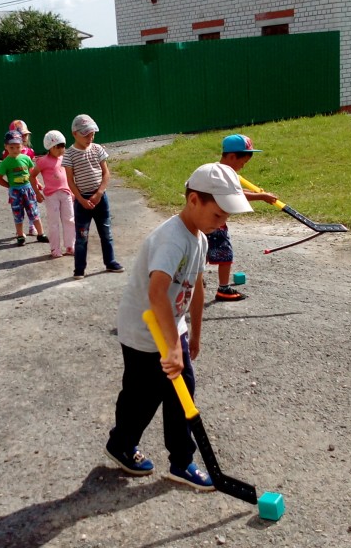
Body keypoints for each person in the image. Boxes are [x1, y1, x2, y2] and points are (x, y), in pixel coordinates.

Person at [105, 163, 253, 490]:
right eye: (218, 215)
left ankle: (182, 461)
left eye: (226, 217)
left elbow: (196, 288)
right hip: (144, 333)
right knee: (142, 397)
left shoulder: (200, 238)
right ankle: (121, 443)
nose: (222, 223)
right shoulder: (171, 240)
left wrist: (193, 334)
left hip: (173, 328)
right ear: (194, 200)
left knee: (182, 392)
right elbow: (157, 292)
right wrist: (172, 346)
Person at [208, 134, 278, 302]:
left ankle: (193, 281)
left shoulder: (219, 171)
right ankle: (223, 289)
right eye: (243, 162)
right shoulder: (222, 174)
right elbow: (234, 195)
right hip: (214, 224)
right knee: (225, 256)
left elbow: (237, 191)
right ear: (232, 156)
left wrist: (256, 193)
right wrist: (261, 196)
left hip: (211, 222)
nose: (243, 166)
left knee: (201, 254)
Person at [63, 114, 124, 279]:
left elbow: (106, 173)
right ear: (74, 133)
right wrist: (81, 200)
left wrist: (99, 193)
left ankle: (110, 262)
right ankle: (79, 269)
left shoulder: (97, 149)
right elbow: (70, 181)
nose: (90, 138)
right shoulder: (69, 154)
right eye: (86, 135)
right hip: (82, 202)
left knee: (106, 232)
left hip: (100, 199)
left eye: (92, 134)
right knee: (81, 237)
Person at [0, 130, 49, 247]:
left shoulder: (26, 158)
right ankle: (20, 235)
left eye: (18, 147)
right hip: (15, 192)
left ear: (22, 145)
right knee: (18, 213)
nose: (15, 150)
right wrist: (9, 186)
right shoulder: (5, 163)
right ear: (6, 147)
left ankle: (41, 233)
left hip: (28, 189)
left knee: (34, 211)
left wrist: (36, 184)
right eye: (11, 147)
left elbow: (31, 173)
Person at [33, 130, 75, 258]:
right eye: (58, 147)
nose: (61, 149)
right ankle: (55, 249)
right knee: (54, 222)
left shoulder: (65, 158)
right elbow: (32, 176)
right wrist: (37, 192)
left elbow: (69, 176)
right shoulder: (43, 161)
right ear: (50, 147)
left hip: (66, 193)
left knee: (70, 219)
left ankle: (70, 246)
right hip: (51, 196)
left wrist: (73, 191)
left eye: (63, 146)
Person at [2, 120, 39, 235]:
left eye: (25, 135)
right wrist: (10, 185)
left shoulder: (30, 152)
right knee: (18, 208)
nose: (24, 138)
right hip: (16, 187)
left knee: (32, 206)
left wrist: (36, 182)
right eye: (22, 135)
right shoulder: (7, 153)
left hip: (28, 185)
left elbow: (31, 170)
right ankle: (20, 231)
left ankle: (32, 226)